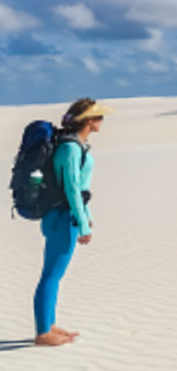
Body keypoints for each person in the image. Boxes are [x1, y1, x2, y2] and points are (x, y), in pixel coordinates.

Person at [33, 98, 114, 347]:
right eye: (99, 117)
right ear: (88, 120)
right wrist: (84, 224)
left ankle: (49, 324)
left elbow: (79, 190)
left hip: (63, 216)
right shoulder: (70, 149)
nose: (102, 121)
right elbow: (72, 189)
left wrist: (85, 215)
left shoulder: (76, 146)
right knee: (51, 275)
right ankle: (42, 333)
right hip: (62, 218)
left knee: (54, 275)